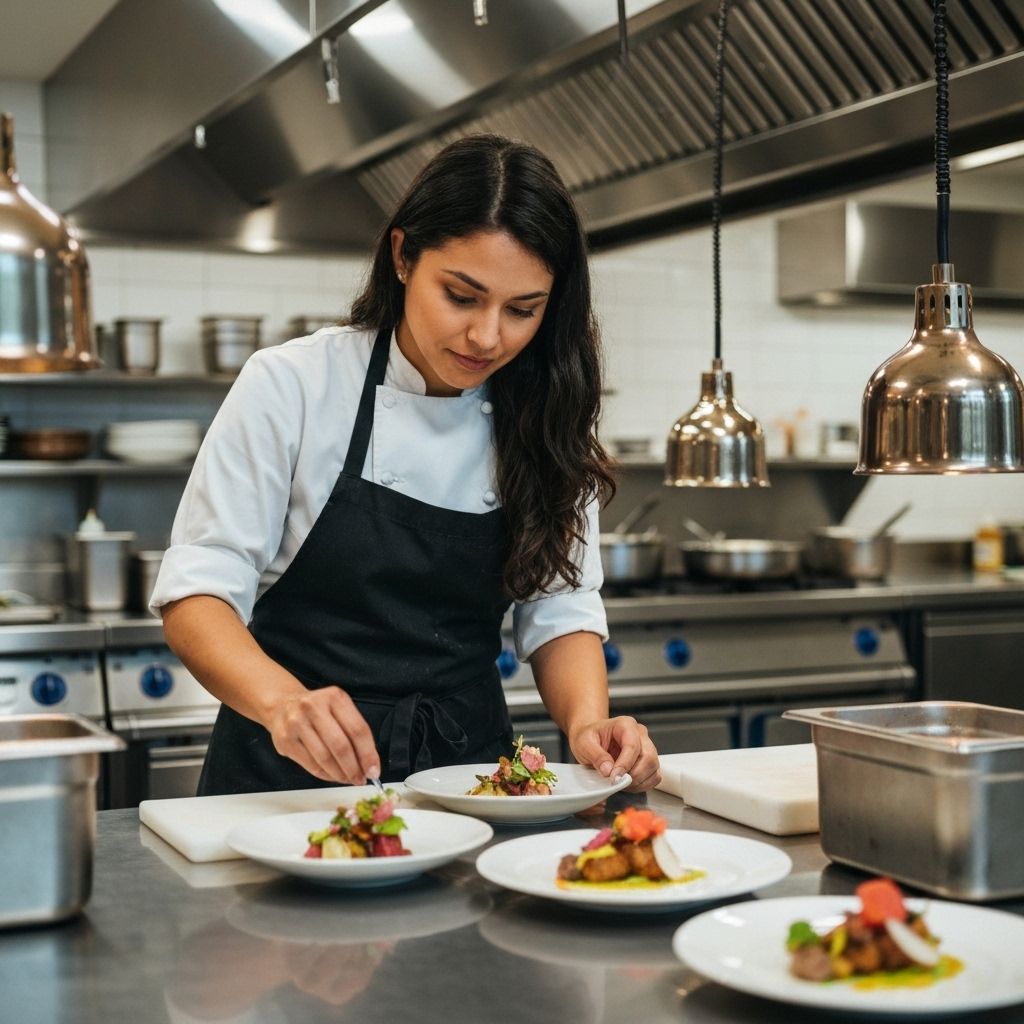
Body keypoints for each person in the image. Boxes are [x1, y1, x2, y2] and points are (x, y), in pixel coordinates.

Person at [151, 134, 661, 796]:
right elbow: (198, 594)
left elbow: (560, 606)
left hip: (470, 786)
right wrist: (282, 703)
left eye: (522, 310)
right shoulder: (294, 384)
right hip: (284, 782)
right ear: (402, 256)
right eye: (461, 296)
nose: (487, 336)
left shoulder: (548, 411)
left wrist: (588, 722)